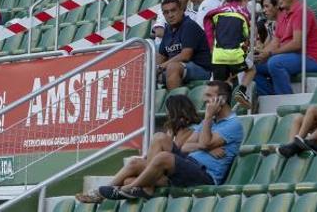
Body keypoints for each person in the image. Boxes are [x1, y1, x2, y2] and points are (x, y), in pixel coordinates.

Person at [76, 81, 242, 201]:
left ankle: (125, 190)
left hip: (205, 175)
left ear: (221, 99)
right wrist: (205, 147)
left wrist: (207, 118)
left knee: (162, 158)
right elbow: (185, 147)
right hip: (189, 164)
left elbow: (204, 142)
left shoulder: (233, 124)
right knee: (153, 144)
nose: (205, 100)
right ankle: (102, 193)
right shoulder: (209, 124)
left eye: (209, 96)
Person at [254, 0, 317, 95]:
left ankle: (284, 99)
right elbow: (275, 42)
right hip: (291, 57)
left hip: (310, 58)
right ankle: (272, 97)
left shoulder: (301, 11)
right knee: (251, 68)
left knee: (275, 62)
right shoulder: (283, 15)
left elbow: (297, 43)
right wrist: (260, 55)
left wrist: (271, 54)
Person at [157, 0, 213, 89]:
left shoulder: (189, 25)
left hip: (202, 69)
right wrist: (153, 69)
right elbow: (162, 56)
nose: (170, 15)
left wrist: (160, 67)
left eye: (173, 10)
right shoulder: (168, 29)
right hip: (181, 68)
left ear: (181, 10)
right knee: (146, 72)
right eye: (166, 12)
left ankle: (175, 103)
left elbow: (185, 56)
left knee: (172, 67)